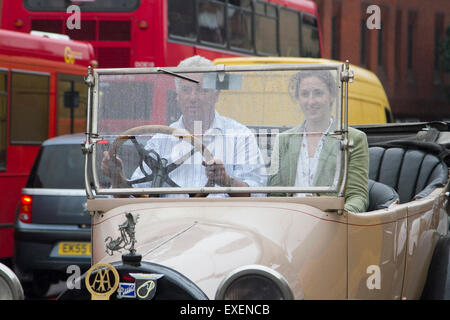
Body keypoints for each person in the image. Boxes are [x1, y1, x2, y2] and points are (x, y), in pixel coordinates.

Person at [101, 55, 266, 197]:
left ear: (216, 95)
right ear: (177, 96)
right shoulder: (160, 141)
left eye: (201, 90)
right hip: (168, 226)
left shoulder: (239, 136)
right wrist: (117, 176)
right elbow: (133, 197)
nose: (193, 97)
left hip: (223, 227)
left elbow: (259, 195)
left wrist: (226, 181)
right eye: (186, 90)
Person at [268, 70, 369, 212]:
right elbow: (274, 195)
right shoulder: (283, 140)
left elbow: (358, 196)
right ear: (297, 97)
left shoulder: (353, 139)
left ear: (332, 95)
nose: (311, 101)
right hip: (289, 223)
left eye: (318, 93)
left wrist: (335, 218)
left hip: (330, 224)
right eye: (304, 94)